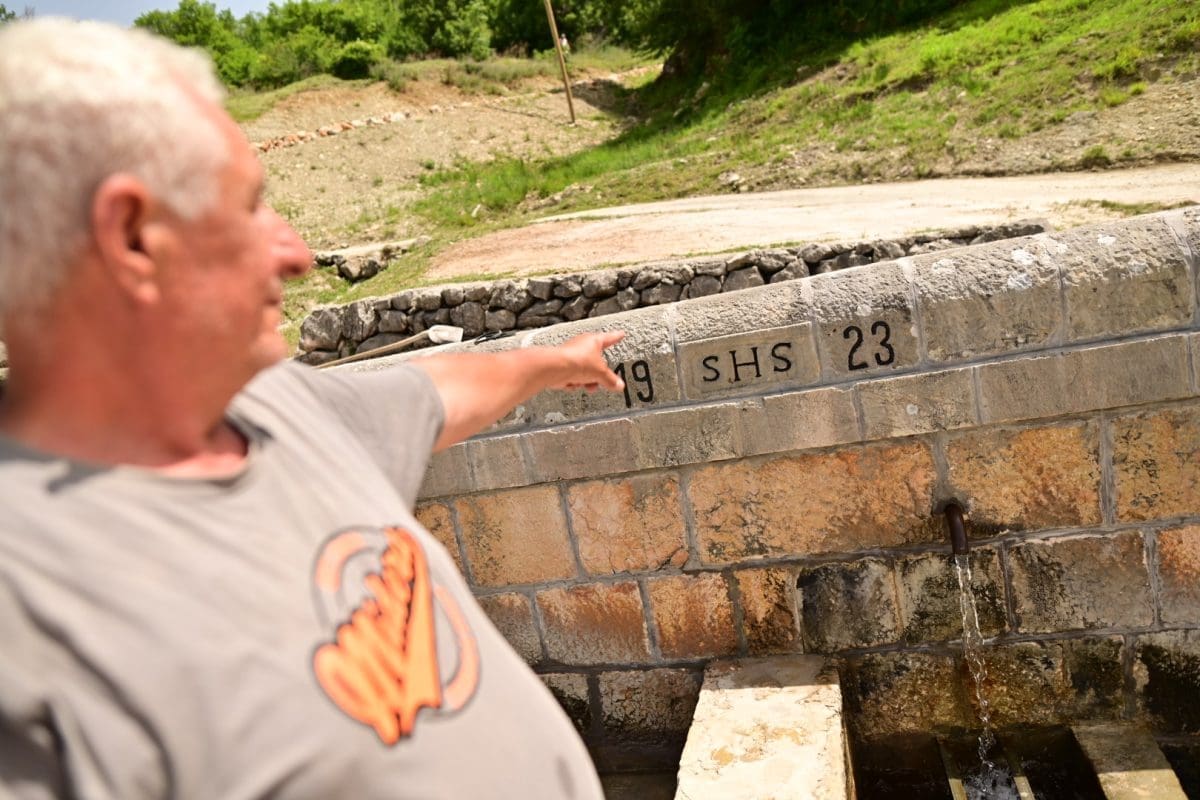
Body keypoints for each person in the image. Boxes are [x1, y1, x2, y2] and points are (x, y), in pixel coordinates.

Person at [0, 17, 625, 800]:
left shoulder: (276, 404)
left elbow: (440, 391)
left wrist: (554, 362)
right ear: (131, 236)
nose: (296, 255)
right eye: (251, 208)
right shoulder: (26, 611)